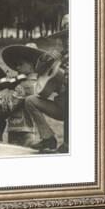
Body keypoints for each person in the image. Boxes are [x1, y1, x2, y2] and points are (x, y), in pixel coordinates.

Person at [24, 14, 69, 153]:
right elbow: (38, 70)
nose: (66, 40)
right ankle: (48, 138)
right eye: (64, 37)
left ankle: (68, 144)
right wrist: (47, 59)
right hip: (61, 106)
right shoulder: (60, 55)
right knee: (30, 100)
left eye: (68, 36)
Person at [0, 42, 46, 147]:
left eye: (21, 64)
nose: (17, 67)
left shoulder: (25, 85)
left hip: (20, 132)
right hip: (31, 129)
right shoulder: (37, 83)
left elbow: (7, 107)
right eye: (16, 64)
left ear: (31, 65)